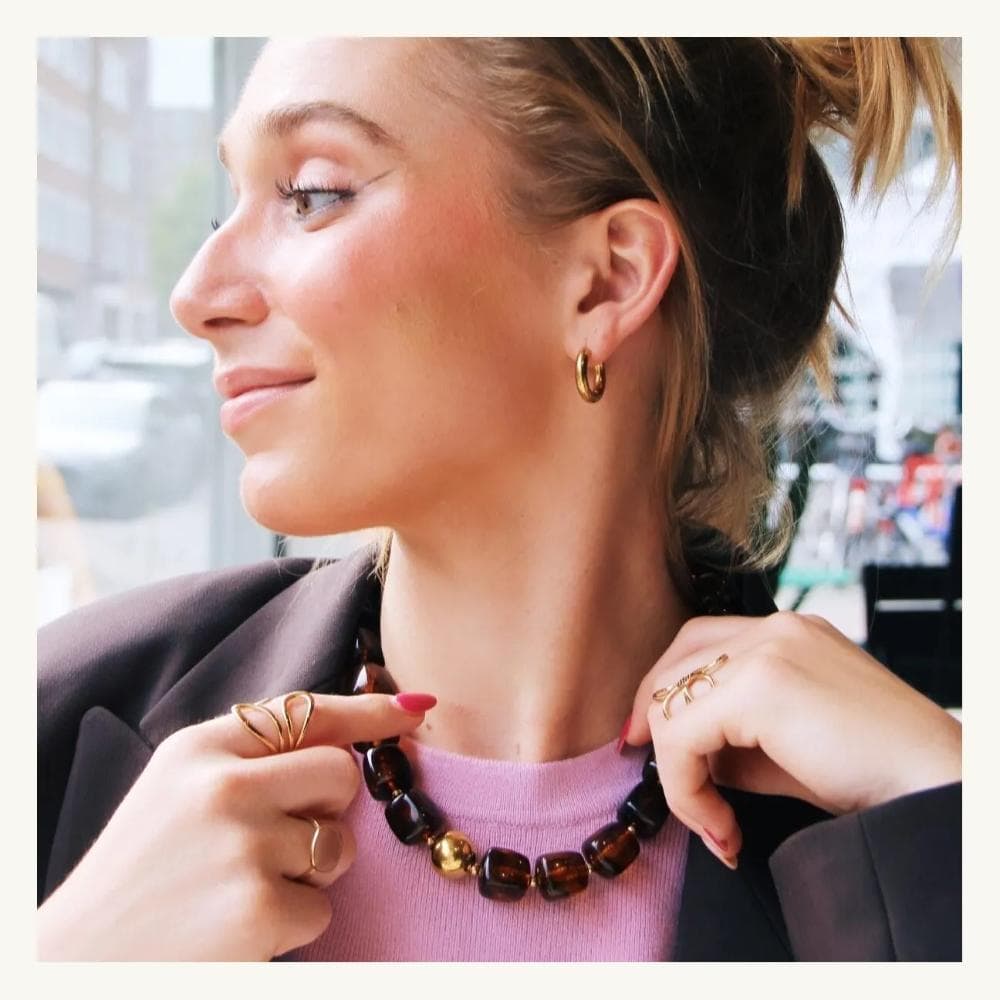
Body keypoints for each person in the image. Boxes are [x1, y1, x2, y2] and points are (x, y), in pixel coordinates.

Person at [37, 37, 962, 961]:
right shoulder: (53, 729)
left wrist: (953, 810)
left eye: (311, 194)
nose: (196, 293)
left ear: (607, 277)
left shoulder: (893, 826)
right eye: (229, 202)